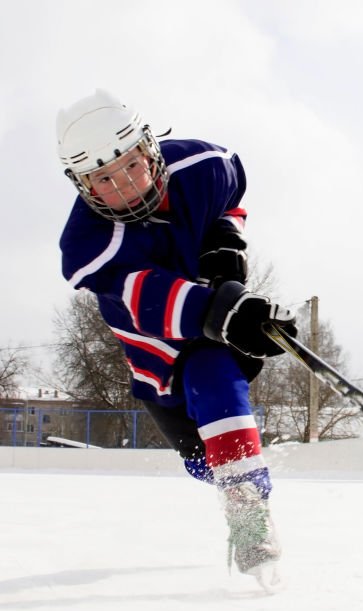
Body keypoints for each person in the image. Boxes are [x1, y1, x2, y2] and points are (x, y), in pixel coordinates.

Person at [56, 89, 297, 582]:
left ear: (150, 149)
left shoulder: (203, 164)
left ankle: (250, 520)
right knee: (202, 462)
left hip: (207, 346)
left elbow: (229, 199)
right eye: (102, 178)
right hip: (155, 358)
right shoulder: (89, 243)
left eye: (129, 166)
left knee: (216, 379)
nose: (122, 186)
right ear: (82, 185)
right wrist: (225, 310)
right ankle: (231, 472)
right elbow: (146, 297)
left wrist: (225, 243)